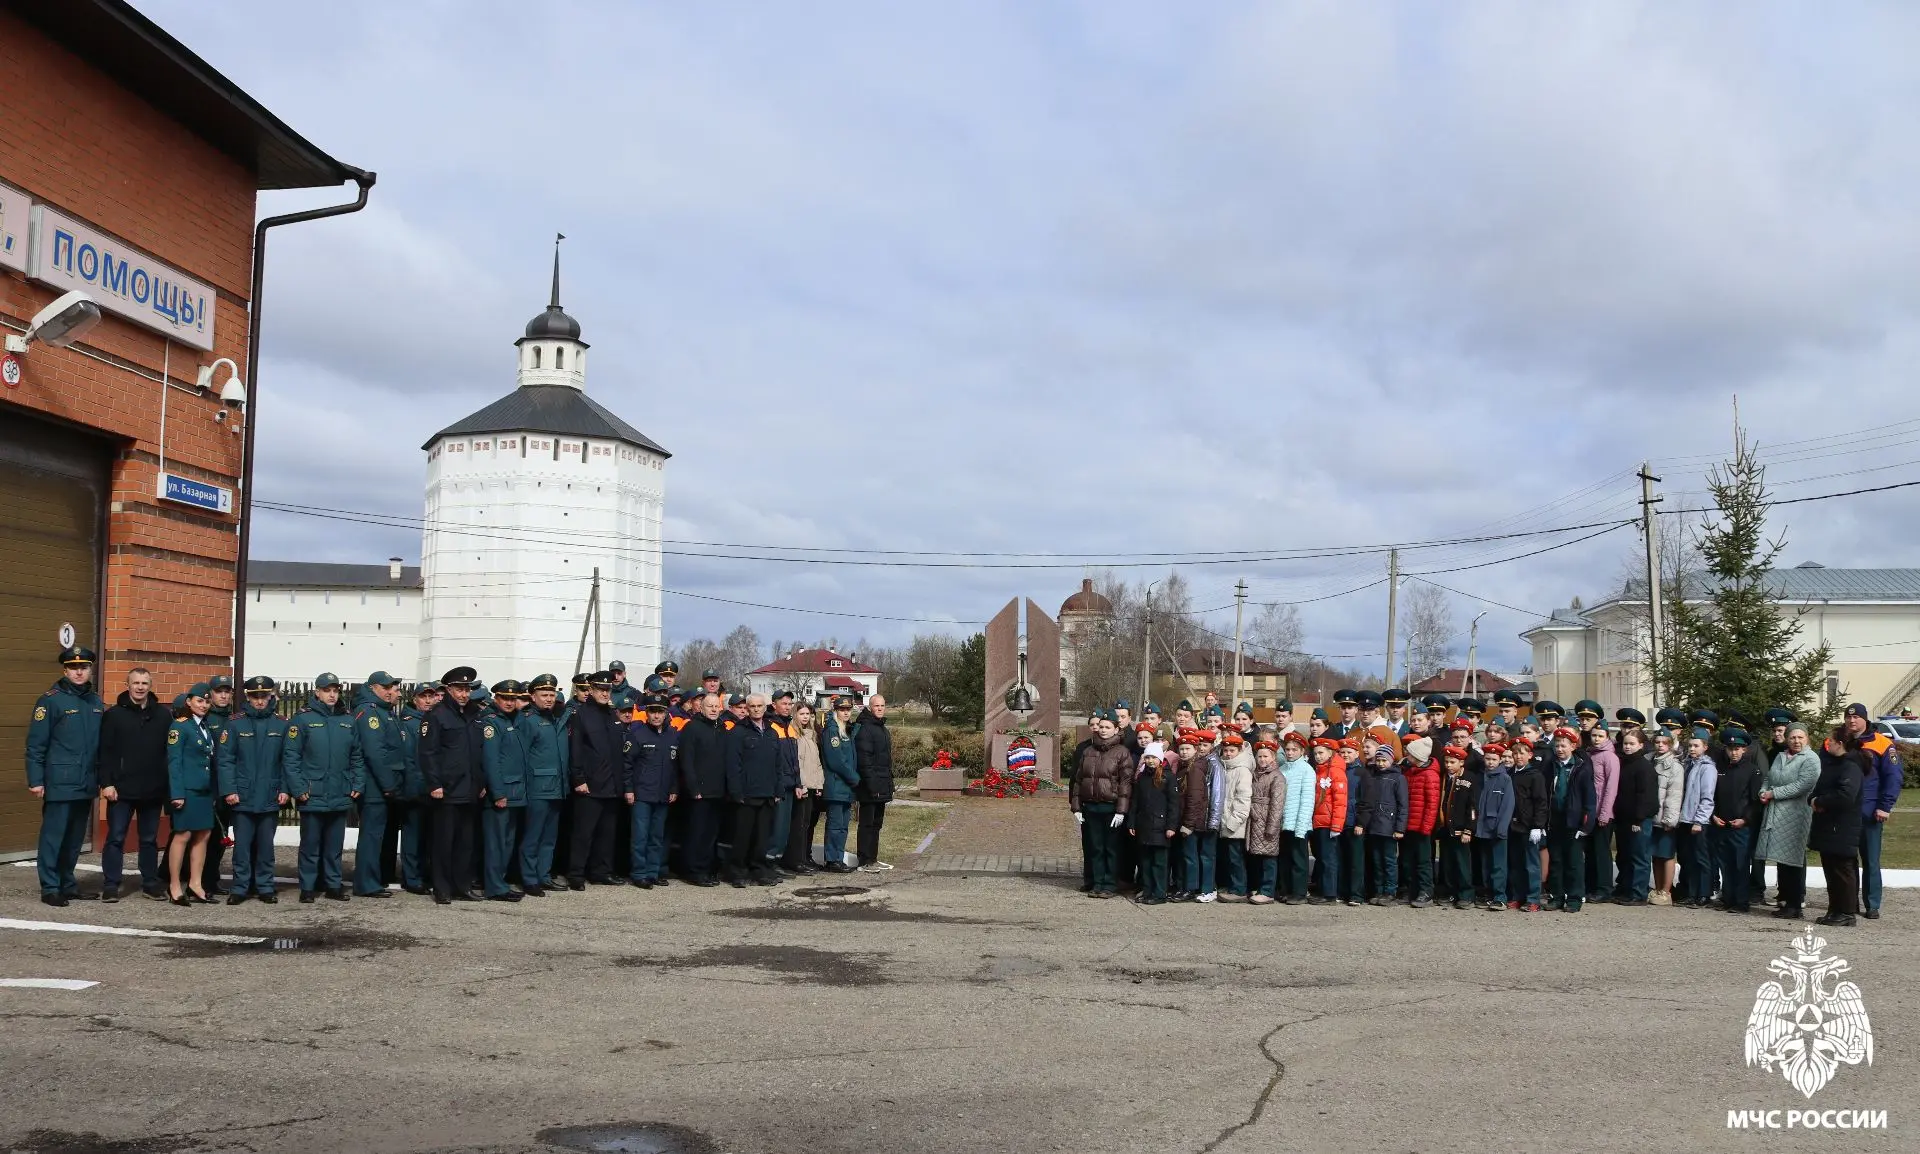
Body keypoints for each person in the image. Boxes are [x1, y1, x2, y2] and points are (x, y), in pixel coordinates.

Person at [26, 646, 105, 907]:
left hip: (86, 781)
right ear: (65, 670)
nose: (79, 672)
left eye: (84, 667)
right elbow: (36, 744)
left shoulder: (95, 702)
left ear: (90, 670)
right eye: (73, 667)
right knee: (54, 837)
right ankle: (50, 887)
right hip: (59, 781)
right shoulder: (50, 701)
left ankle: (68, 884)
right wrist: (36, 780)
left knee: (74, 839)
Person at [284, 673, 363, 903]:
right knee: (310, 844)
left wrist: (357, 782)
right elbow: (291, 757)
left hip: (340, 791)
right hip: (312, 792)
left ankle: (333, 885)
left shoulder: (348, 720)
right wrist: (298, 787)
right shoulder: (302, 719)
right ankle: (308, 887)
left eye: (335, 691)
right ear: (317, 692)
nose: (332, 695)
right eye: (327, 690)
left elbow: (357, 755)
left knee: (334, 845)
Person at [97, 667, 171, 901]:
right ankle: (111, 884)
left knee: (149, 840)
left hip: (152, 789)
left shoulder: (163, 715)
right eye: (136, 683)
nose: (140, 687)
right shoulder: (114, 715)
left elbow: (168, 753)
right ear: (127, 685)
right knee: (116, 838)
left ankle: (150, 883)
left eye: (144, 683)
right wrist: (106, 784)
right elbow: (105, 752)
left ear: (150, 686)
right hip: (121, 790)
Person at [219, 676, 289, 904]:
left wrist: (285, 789)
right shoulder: (234, 723)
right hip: (243, 796)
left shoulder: (281, 724)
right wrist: (229, 790)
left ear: (271, 696)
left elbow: (287, 760)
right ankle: (240, 888)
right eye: (255, 696)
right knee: (242, 848)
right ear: (248, 697)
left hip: (270, 794)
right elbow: (225, 760)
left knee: (266, 847)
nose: (260, 701)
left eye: (264, 696)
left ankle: (265, 887)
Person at [421, 667, 486, 904]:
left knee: (465, 843)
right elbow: (428, 753)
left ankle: (462, 886)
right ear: (449, 690)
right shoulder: (437, 715)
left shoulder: (475, 714)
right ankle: (442, 888)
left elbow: (479, 752)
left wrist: (481, 782)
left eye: (467, 689)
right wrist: (434, 784)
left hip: (469, 789)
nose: (464, 694)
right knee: (443, 843)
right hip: (447, 790)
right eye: (459, 689)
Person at [1754, 722, 1820, 921]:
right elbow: (1769, 778)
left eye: (1800, 737)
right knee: (1781, 859)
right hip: (1776, 814)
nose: (1796, 741)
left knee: (1794, 861)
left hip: (1797, 814)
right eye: (1792, 737)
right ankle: (1785, 901)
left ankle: (1795, 904)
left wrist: (1774, 794)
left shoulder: (1811, 759)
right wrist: (1763, 791)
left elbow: (1803, 785)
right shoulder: (1781, 756)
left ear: (1807, 738)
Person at [349, 671, 406, 899]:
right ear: (373, 688)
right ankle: (366, 883)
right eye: (386, 687)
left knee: (378, 836)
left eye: (392, 687)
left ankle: (374, 879)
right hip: (375, 786)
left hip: (383, 784)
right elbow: (375, 753)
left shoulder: (384, 711)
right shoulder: (370, 712)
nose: (391, 692)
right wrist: (389, 784)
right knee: (371, 836)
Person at [566, 672, 626, 888]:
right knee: (583, 834)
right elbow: (575, 750)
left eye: (607, 689)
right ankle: (576, 874)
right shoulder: (580, 714)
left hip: (611, 784)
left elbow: (618, 752)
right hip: (590, 785)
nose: (604, 693)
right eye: (600, 689)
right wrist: (578, 779)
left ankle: (601, 871)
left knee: (607, 833)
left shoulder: (612, 714)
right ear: (590, 690)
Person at [1844, 702, 1902, 920]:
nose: (1852, 721)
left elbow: (1893, 777)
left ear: (1865, 719)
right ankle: (1848, 902)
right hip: (1844, 812)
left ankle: (1872, 904)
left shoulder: (1882, 743)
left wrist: (1884, 806)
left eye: (1856, 717)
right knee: (1846, 860)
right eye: (1848, 717)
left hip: (1870, 811)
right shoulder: (1840, 742)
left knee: (1870, 861)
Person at [164, 684, 218, 906]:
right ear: (188, 702)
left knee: (203, 834)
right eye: (199, 701)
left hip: (204, 790)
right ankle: (175, 886)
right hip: (186, 790)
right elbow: (174, 762)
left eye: (207, 701)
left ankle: (196, 884)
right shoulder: (180, 726)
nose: (204, 705)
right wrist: (177, 793)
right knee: (183, 835)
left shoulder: (204, 726)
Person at [1070, 710, 1132, 898]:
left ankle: (1110, 884)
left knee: (1111, 848)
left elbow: (1125, 783)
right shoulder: (1088, 751)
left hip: (1111, 807)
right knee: (1095, 848)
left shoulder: (1122, 752)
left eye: (1108, 727)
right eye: (1101, 727)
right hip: (1091, 807)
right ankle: (1097, 883)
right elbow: (1079, 780)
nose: (1103, 730)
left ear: (1116, 729)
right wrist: (1076, 807)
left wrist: (1121, 811)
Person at [724, 694, 783, 887]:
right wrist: (736, 791)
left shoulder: (772, 732)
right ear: (747, 709)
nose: (756, 709)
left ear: (765, 708)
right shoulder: (738, 732)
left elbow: (778, 764)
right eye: (752, 706)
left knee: (762, 837)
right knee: (742, 836)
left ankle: (759, 870)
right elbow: (733, 765)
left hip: (767, 794)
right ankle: (736, 872)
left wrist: (778, 789)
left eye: (759, 706)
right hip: (746, 794)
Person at [1809, 729, 1866, 928]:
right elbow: (1820, 788)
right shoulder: (1834, 764)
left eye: (1830, 741)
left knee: (1842, 870)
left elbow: (1846, 795)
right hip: (1828, 825)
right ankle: (1834, 909)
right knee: (1831, 870)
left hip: (1842, 825)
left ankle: (1847, 912)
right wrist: (1814, 799)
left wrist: (1821, 801)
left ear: (1840, 743)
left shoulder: (1851, 766)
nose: (1828, 744)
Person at [518, 675, 568, 897]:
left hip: (557, 786)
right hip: (537, 787)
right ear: (533, 696)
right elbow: (521, 756)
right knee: (533, 836)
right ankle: (529, 879)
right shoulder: (528, 720)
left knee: (549, 837)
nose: (549, 698)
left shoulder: (558, 718)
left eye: (551, 694)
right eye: (544, 695)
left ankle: (544, 875)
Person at [1545, 727, 1597, 913]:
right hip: (1554, 820)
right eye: (1557, 745)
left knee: (1574, 863)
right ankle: (1556, 896)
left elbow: (1590, 798)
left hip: (1573, 821)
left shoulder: (1581, 767)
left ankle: (1574, 898)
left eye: (1563, 746)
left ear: (1573, 746)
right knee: (1556, 861)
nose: (1559, 749)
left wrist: (1586, 823)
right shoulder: (1550, 766)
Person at [1711, 727, 1762, 913]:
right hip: (1721, 823)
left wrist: (1745, 820)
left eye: (1737, 749)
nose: (1734, 752)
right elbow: (1713, 796)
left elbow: (1755, 801)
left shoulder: (1752, 771)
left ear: (1744, 749)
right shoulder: (1720, 769)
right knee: (1725, 863)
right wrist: (1713, 815)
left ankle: (1741, 902)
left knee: (1740, 864)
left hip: (1741, 826)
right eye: (1730, 748)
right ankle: (1728, 898)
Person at [1354, 743, 1407, 905]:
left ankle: (1390, 891)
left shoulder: (1398, 778)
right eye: (1378, 760)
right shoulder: (1373, 776)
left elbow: (1403, 805)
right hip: (1374, 826)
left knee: (1389, 860)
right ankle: (1378, 890)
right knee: (1376, 860)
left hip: (1389, 827)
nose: (1381, 763)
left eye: (1384, 760)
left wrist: (1400, 828)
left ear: (1391, 760)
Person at [1128, 742, 1180, 905]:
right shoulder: (1142, 777)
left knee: (1159, 862)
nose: (1150, 761)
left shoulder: (1168, 777)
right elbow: (1135, 802)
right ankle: (1147, 890)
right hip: (1144, 825)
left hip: (1160, 826)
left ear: (1160, 759)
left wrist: (1171, 826)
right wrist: (1132, 823)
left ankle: (1159, 893)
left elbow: (1174, 804)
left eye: (1153, 758)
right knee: (1145, 862)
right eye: (1148, 757)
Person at [1611, 727, 1658, 905]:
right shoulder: (1624, 763)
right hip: (1623, 818)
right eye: (1625, 743)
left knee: (1639, 856)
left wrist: (1639, 818)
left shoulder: (1644, 767)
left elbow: (1646, 796)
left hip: (1638, 820)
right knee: (1625, 855)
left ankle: (1638, 893)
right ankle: (1625, 888)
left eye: (1632, 744)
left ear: (1641, 745)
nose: (1628, 747)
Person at [199, 675, 237, 897]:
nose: (223, 696)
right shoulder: (205, 718)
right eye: (218, 691)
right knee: (206, 836)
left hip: (228, 787)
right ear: (211, 694)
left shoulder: (234, 718)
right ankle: (200, 880)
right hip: (209, 786)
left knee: (221, 836)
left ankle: (212, 879)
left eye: (227, 691)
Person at [818, 696, 861, 873]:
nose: (846, 713)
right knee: (835, 825)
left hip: (846, 787)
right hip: (836, 784)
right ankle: (832, 860)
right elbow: (836, 761)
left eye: (848, 710)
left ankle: (838, 857)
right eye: (842, 710)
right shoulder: (832, 730)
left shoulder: (845, 729)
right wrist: (854, 778)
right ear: (835, 711)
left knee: (843, 826)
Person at [1580, 712, 1620, 904]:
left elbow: (1611, 788)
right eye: (1594, 735)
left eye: (1600, 736)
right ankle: (1590, 886)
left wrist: (1604, 813)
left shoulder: (1609, 757)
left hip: (1602, 813)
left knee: (1602, 852)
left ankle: (1604, 888)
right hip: (1589, 811)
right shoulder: (1590, 754)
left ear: (1607, 737)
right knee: (1590, 852)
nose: (1596, 739)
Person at [853, 695, 895, 872]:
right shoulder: (865, 729)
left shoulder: (882, 728)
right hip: (869, 787)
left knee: (877, 824)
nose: (880, 708)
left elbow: (885, 761)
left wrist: (889, 784)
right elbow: (865, 761)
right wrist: (873, 786)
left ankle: (873, 858)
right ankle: (864, 860)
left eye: (882, 705)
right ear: (870, 707)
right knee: (867, 824)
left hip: (882, 784)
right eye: (876, 706)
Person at [1677, 733, 1719, 908]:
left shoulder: (1707, 768)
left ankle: (1703, 893)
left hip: (1698, 820)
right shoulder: (1688, 764)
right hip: (1686, 818)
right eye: (1690, 746)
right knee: (1689, 858)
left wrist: (1699, 820)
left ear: (1705, 747)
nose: (1692, 749)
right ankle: (1691, 893)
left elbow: (1707, 797)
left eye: (1696, 746)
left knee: (1701, 858)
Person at [1506, 738, 1548, 912]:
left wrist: (1538, 825)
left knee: (1531, 864)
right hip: (1512, 825)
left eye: (1522, 753)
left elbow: (1541, 802)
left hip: (1529, 826)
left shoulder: (1535, 775)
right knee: (1515, 863)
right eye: (1515, 753)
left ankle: (1533, 899)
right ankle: (1517, 896)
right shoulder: (1509, 774)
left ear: (1530, 755)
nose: (1518, 757)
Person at [781, 702, 823, 874]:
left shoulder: (812, 735)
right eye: (802, 714)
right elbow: (797, 763)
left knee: (806, 824)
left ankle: (804, 858)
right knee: (798, 825)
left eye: (807, 714)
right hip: (801, 787)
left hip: (812, 786)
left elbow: (816, 763)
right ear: (795, 715)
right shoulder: (794, 734)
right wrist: (802, 784)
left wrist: (819, 784)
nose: (805, 717)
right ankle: (794, 860)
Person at [1400, 736, 1440, 907]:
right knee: (1408, 860)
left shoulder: (1430, 775)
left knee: (1423, 861)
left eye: (1410, 754)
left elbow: (1432, 805)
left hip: (1422, 827)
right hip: (1409, 824)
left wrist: (1426, 827)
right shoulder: (1410, 772)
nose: (1407, 756)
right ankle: (1412, 890)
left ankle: (1426, 892)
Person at [1243, 738, 1284, 905]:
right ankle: (1258, 887)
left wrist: (1272, 827)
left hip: (1267, 820)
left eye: (1266, 756)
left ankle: (1267, 891)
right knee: (1256, 856)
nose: (1262, 759)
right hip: (1254, 819)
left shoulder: (1277, 777)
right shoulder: (1255, 774)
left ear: (1273, 757)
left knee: (1268, 857)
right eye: (1259, 756)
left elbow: (1277, 804)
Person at [1437, 745, 1478, 910]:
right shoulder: (1443, 778)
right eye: (1446, 762)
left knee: (1462, 864)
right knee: (1447, 863)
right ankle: (1449, 892)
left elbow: (1473, 807)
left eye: (1452, 762)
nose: (1448, 765)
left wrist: (1469, 829)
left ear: (1461, 762)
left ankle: (1466, 895)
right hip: (1446, 828)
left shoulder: (1469, 778)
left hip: (1461, 829)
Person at [1307, 736, 1347, 905]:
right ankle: (1323, 890)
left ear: (1330, 753)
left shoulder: (1336, 772)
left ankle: (1330, 894)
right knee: (1322, 857)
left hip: (1328, 822)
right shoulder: (1320, 770)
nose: (1318, 756)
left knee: (1328, 859)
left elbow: (1340, 801)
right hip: (1319, 820)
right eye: (1316, 753)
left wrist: (1336, 825)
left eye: (1321, 753)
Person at [1276, 732, 1314, 904]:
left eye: (1294, 750)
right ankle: (1285, 889)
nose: (1290, 753)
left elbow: (1307, 800)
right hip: (1283, 822)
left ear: (1302, 751)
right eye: (1288, 749)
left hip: (1298, 823)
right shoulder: (1282, 769)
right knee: (1284, 858)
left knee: (1299, 859)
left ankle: (1299, 892)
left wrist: (1301, 826)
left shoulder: (1306, 770)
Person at [1648, 729, 1684, 905]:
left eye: (1664, 743)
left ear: (1670, 745)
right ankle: (1657, 888)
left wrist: (1670, 819)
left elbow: (1674, 795)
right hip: (1651, 816)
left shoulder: (1675, 767)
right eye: (1657, 742)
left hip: (1665, 818)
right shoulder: (1649, 761)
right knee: (1655, 855)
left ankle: (1666, 891)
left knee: (1667, 854)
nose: (1660, 745)